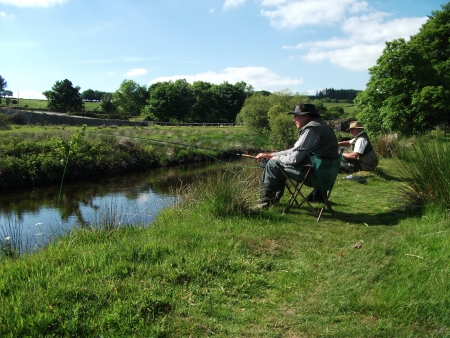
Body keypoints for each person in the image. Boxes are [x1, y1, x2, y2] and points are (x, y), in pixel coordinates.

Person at [255, 103, 338, 207]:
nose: (293, 120)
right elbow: (295, 150)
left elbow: (294, 159)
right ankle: (273, 199)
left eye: (296, 116)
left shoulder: (311, 129)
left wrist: (276, 158)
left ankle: (265, 203)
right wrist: (271, 155)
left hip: (315, 176)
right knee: (273, 161)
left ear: (306, 116)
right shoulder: (321, 126)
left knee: (272, 164)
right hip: (325, 176)